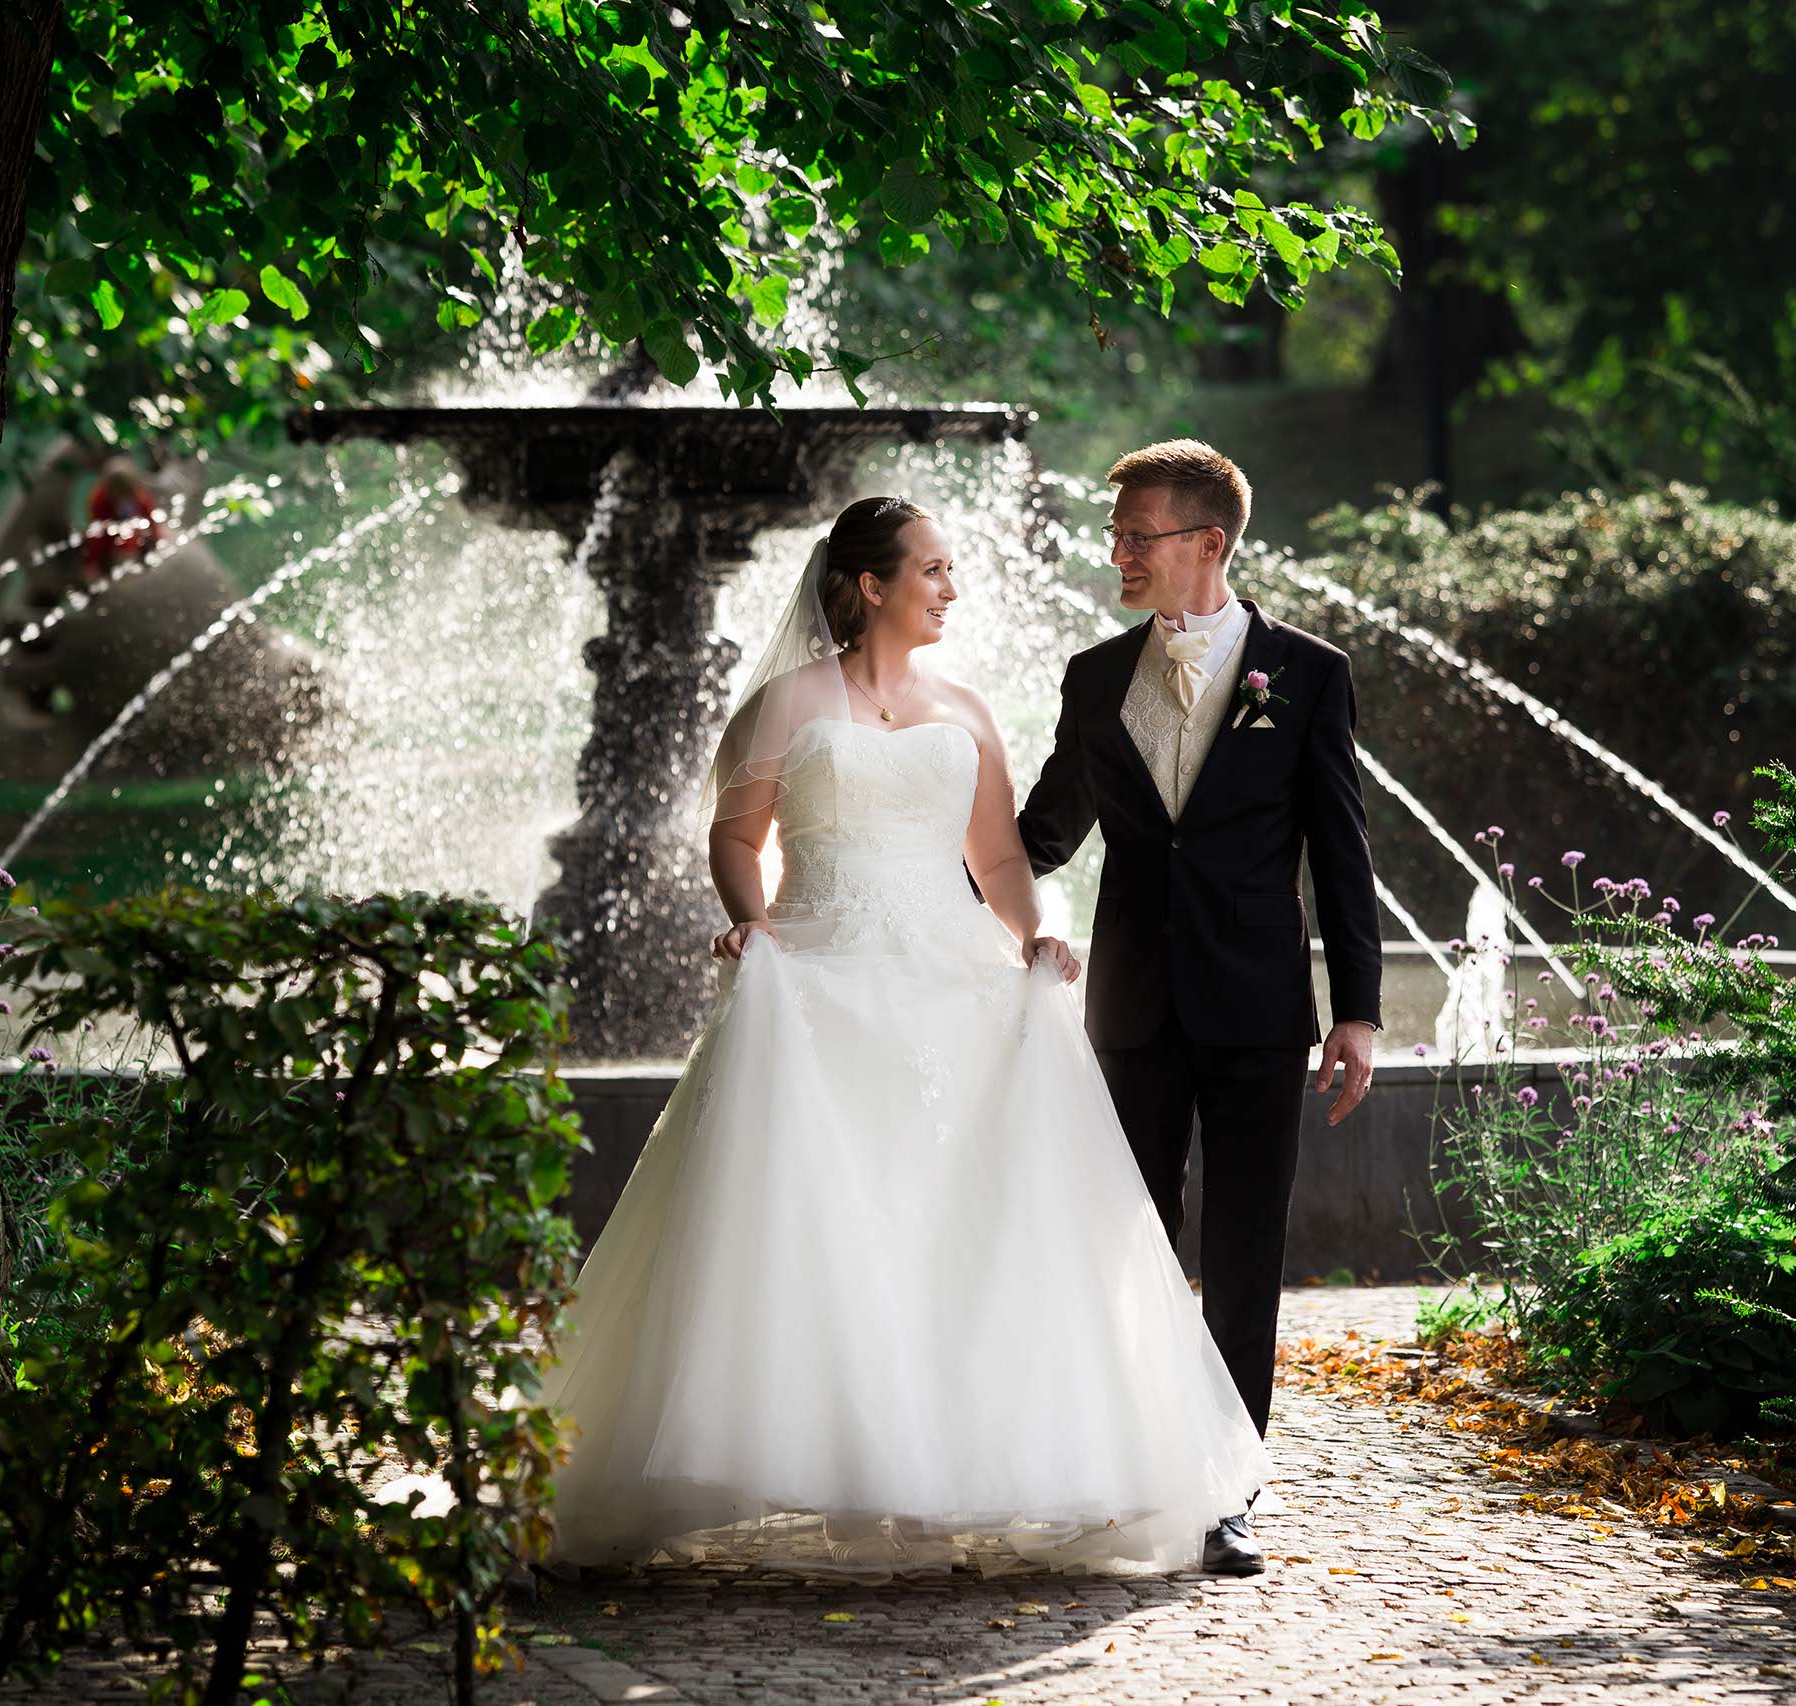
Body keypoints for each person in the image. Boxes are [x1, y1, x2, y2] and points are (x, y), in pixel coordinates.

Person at [540, 496, 1266, 1579]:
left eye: (952, 568)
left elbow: (1001, 860)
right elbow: (736, 838)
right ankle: (833, 1460)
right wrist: (749, 921)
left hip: (948, 977)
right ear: (870, 584)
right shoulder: (785, 705)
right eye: (931, 568)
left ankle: (944, 1466)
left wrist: (1036, 937)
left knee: (943, 1220)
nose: (950, 587)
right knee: (829, 1223)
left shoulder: (965, 708)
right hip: (820, 978)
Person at [1017, 440, 1382, 1578]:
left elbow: (1341, 848)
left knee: (1242, 1247)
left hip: (1259, 1006)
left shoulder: (1307, 673)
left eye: (1139, 534)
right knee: (1122, 1241)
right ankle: (1125, 1466)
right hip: (1126, 1003)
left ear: (1207, 543)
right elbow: (1040, 833)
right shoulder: (1093, 674)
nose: (1117, 551)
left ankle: (1230, 1487)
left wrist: (1358, 1010)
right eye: (1117, 533)